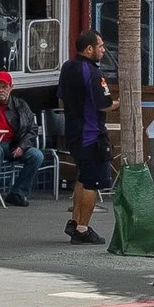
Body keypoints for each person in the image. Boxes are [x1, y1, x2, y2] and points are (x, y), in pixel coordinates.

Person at [56, 27, 113, 244]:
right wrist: (119, 103)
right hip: (91, 135)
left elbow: (61, 96)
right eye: (100, 46)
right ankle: (82, 228)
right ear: (89, 49)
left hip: (73, 132)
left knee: (81, 177)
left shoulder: (67, 67)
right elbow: (104, 104)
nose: (103, 50)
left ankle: (74, 222)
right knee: (92, 182)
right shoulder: (93, 72)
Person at [0, 69, 40, 207]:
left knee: (36, 155)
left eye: (4, 87)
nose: (0, 90)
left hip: (14, 143)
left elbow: (32, 129)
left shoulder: (21, 105)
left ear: (11, 87)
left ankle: (18, 193)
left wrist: (22, 146)